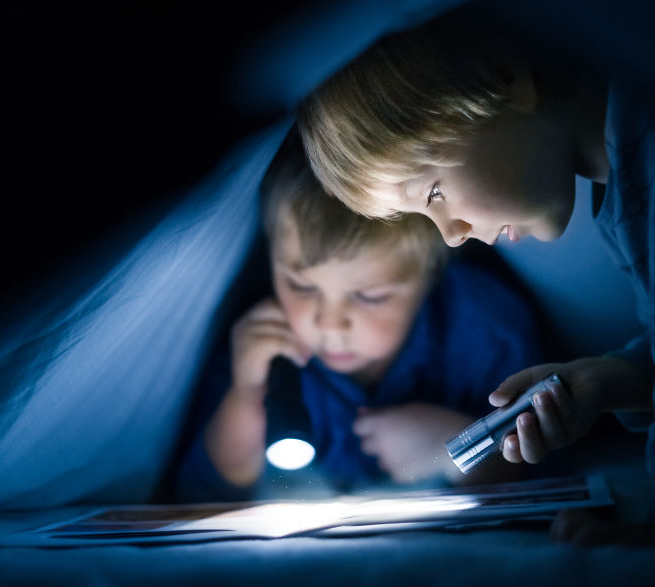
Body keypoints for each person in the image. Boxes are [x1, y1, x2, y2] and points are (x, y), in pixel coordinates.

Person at [294, 12, 655, 543]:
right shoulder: (626, 187)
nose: (452, 235)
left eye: (434, 192)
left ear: (503, 78)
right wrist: (603, 382)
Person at [172, 127, 546, 502]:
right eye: (301, 287)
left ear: (430, 275)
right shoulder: (260, 349)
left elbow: (541, 485)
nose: (329, 323)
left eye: (370, 296)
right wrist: (246, 396)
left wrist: (457, 447)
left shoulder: (487, 332)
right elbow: (200, 494)